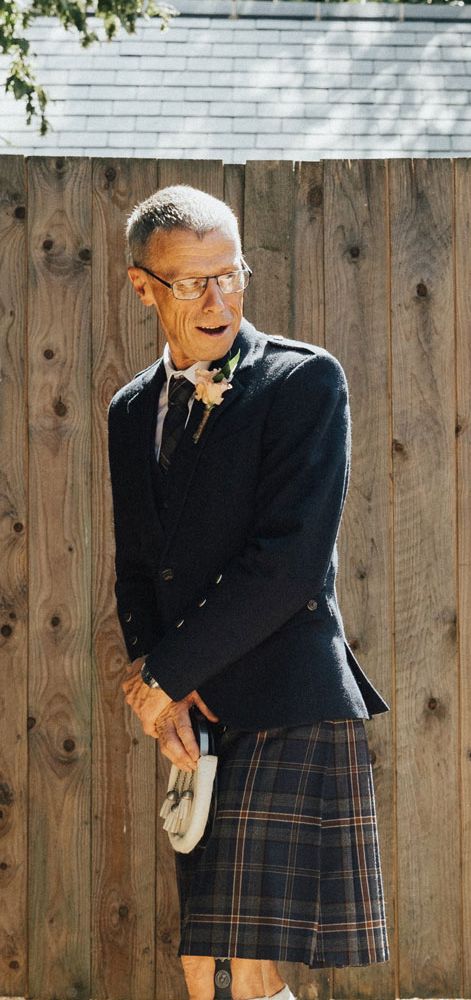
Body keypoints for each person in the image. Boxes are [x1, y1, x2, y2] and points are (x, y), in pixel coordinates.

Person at [110, 185, 389, 1000]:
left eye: (229, 275)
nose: (217, 299)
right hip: (197, 717)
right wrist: (162, 686)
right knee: (210, 968)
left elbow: (290, 565)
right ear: (143, 287)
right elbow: (139, 567)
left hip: (286, 703)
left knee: (237, 967)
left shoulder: (303, 382)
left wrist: (166, 674)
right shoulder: (130, 409)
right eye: (191, 282)